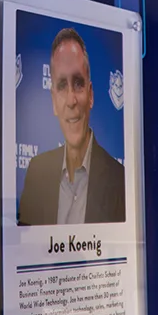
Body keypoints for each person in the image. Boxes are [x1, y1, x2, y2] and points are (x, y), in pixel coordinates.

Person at [18, 28, 126, 226]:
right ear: (53, 101)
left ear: (91, 95)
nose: (71, 100)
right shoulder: (36, 172)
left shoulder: (121, 181)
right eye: (61, 85)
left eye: (78, 84)